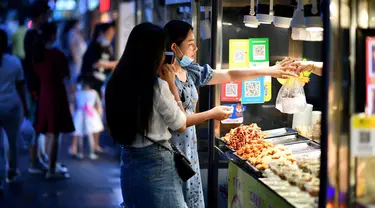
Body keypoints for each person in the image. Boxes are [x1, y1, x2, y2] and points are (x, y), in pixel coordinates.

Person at [163, 20, 297, 208]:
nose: (196, 48)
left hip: (190, 151)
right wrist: (212, 113)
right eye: (191, 43)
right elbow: (179, 120)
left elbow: (229, 74)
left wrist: (269, 71)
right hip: (172, 153)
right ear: (174, 47)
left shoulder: (190, 71)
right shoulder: (162, 77)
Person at [105, 22, 211, 208]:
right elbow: (180, 123)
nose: (165, 56)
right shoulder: (157, 87)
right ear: (152, 54)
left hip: (129, 162)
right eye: (162, 51)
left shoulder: (116, 82)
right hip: (157, 164)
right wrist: (172, 86)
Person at [33, 22, 74, 179]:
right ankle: (51, 168)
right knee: (54, 133)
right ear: (52, 35)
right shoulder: (57, 55)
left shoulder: (38, 55)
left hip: (44, 94)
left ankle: (49, 166)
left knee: (48, 131)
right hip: (56, 94)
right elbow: (66, 76)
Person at [80, 22, 117, 153]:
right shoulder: (93, 47)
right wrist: (116, 63)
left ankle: (94, 145)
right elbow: (96, 64)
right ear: (102, 33)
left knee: (97, 115)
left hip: (100, 85)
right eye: (109, 33)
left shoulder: (108, 47)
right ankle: (86, 146)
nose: (111, 36)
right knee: (89, 116)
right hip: (90, 85)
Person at [23, 0, 51, 174]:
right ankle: (34, 162)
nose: (48, 17)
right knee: (36, 123)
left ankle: (38, 159)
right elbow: (35, 63)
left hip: (36, 85)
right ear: (40, 16)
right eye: (47, 14)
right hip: (36, 86)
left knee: (38, 123)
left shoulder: (33, 35)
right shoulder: (34, 36)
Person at [0, 29, 29, 191]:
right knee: (12, 141)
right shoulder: (14, 62)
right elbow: (20, 87)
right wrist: (25, 107)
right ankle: (11, 171)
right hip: (11, 107)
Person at [71, 76, 104, 160]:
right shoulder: (93, 92)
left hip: (80, 114)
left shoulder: (78, 93)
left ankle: (79, 152)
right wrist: (99, 115)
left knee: (80, 135)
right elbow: (98, 105)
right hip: (90, 115)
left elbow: (73, 104)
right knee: (90, 135)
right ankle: (91, 152)